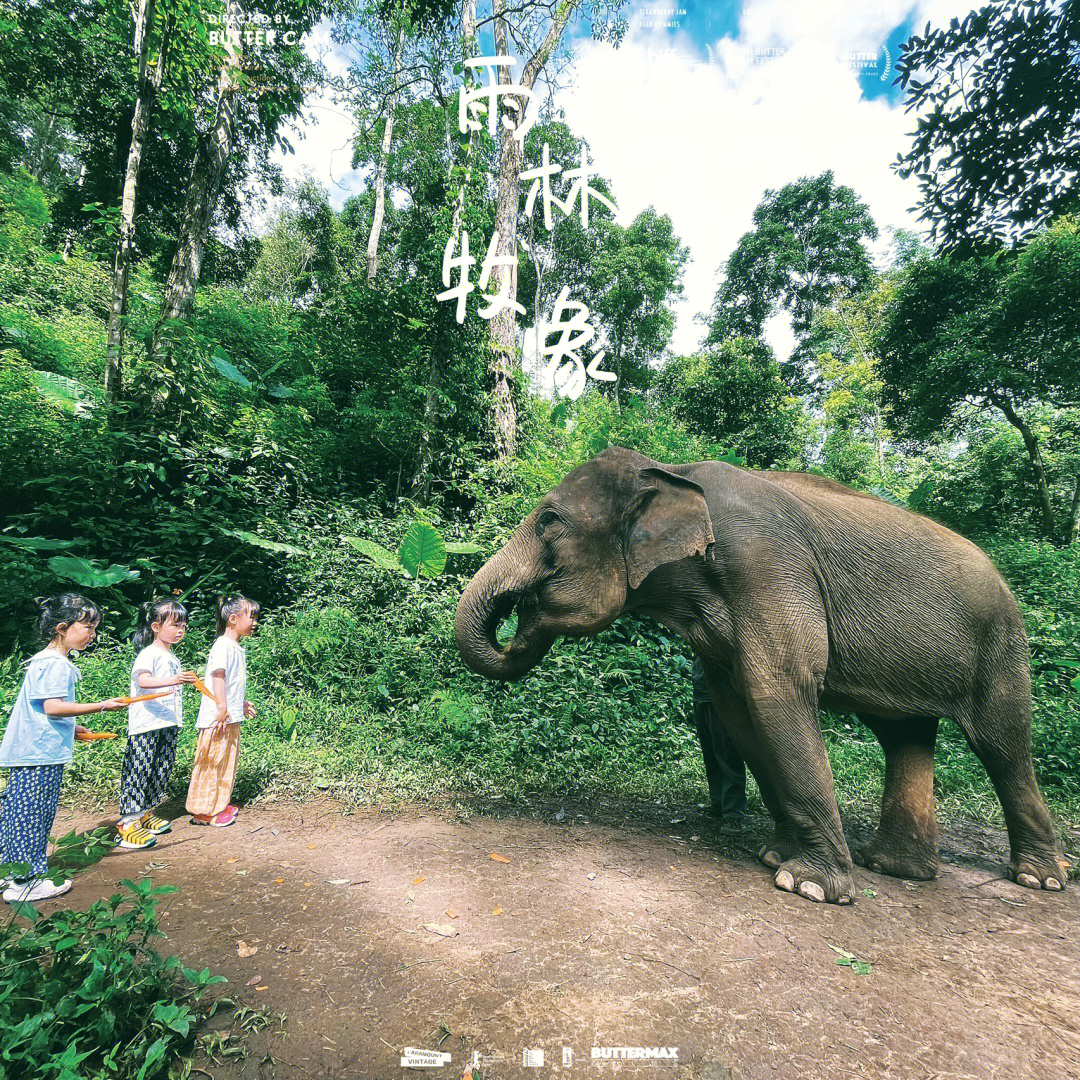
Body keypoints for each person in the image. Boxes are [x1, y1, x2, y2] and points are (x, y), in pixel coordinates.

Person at [0, 595, 127, 903]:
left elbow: (45, 711)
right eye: (87, 626)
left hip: (32, 751)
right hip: (37, 754)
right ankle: (26, 881)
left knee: (17, 812)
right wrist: (101, 706)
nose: (92, 634)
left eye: (94, 627)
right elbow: (53, 707)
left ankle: (9, 872)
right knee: (33, 814)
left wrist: (73, 729)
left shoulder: (47, 660)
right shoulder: (56, 664)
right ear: (62, 627)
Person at [115, 598, 197, 850]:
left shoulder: (171, 656)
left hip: (168, 723)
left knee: (160, 770)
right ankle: (128, 823)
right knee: (139, 770)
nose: (180, 629)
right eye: (174, 624)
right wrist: (174, 679)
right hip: (146, 724)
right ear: (155, 626)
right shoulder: (148, 653)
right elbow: (144, 682)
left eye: (183, 624)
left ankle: (145, 813)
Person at [186, 595, 260, 827]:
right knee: (212, 761)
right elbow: (218, 677)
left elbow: (232, 683)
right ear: (233, 618)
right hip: (218, 718)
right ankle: (204, 811)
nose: (255, 621)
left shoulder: (235, 647)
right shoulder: (222, 645)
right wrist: (221, 707)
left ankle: (218, 803)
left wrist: (240, 704)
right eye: (251, 616)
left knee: (226, 761)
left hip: (230, 716)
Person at [691, 656, 747, 822]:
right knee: (711, 755)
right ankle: (718, 802)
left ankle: (733, 813)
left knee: (727, 755)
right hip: (701, 696)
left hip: (720, 699)